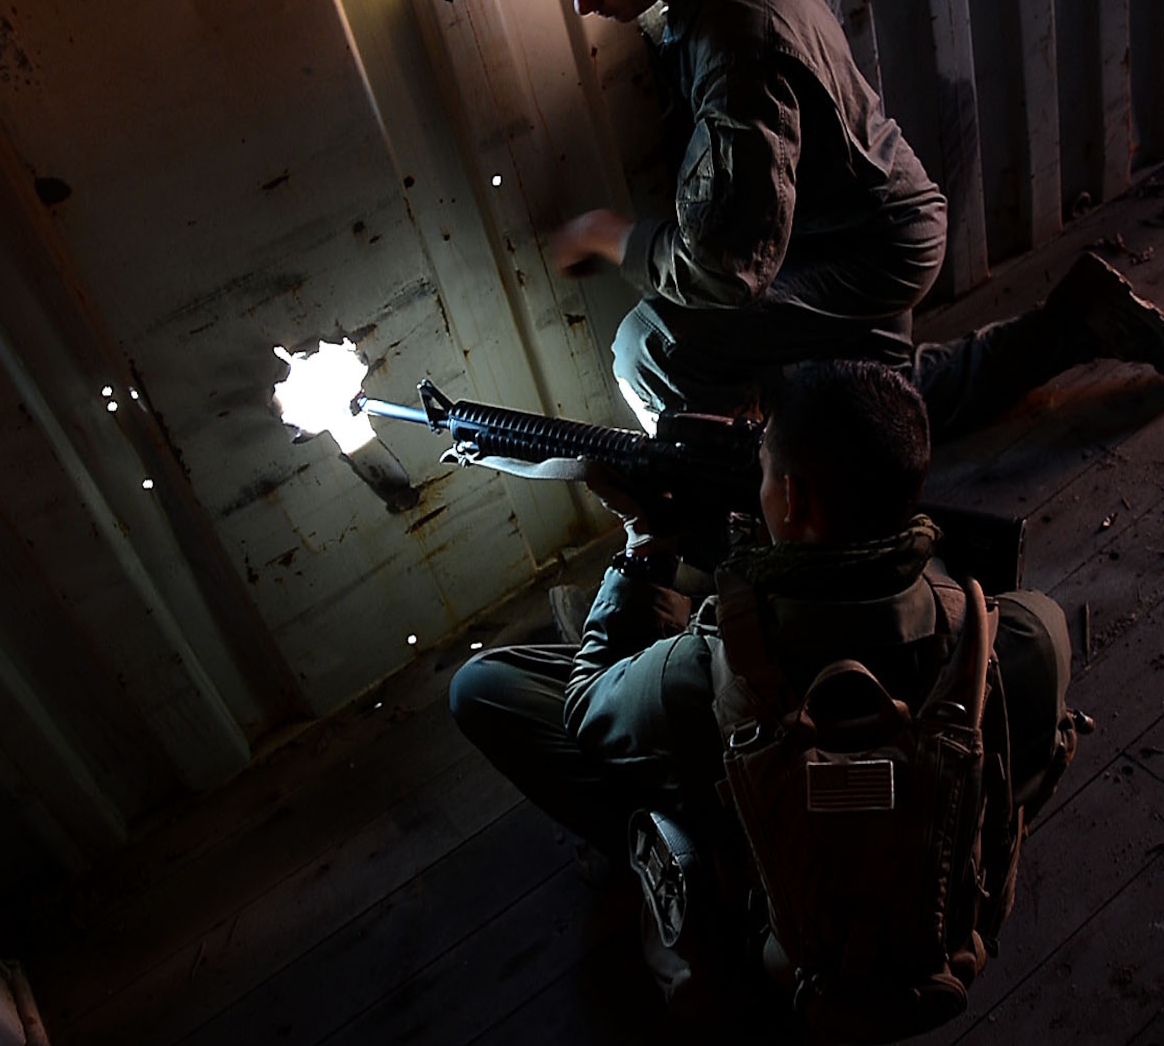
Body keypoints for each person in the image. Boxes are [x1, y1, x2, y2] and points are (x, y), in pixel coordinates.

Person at [524, 0, 1164, 433]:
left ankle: (734, 527)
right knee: (881, 418)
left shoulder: (738, 54)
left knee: (650, 346)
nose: (585, 6)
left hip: (867, 250)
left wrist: (608, 235)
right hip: (859, 217)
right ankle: (1075, 323)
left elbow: (721, 271)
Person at [447, 359, 1075, 1013]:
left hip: (780, 946)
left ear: (794, 499)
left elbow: (589, 708)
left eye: (765, 464)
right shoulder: (1025, 637)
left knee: (483, 686)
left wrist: (642, 552)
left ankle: (685, 873)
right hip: (948, 920)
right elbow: (1020, 776)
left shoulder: (706, 670)